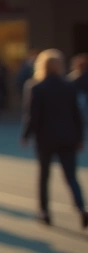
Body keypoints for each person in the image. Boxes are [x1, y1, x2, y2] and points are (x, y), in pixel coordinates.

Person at [21, 49, 86, 229]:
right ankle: (81, 208)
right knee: (71, 176)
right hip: (68, 137)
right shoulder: (69, 86)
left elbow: (33, 116)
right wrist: (80, 138)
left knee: (44, 176)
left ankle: (44, 211)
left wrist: (26, 135)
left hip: (46, 138)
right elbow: (77, 115)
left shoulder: (37, 87)